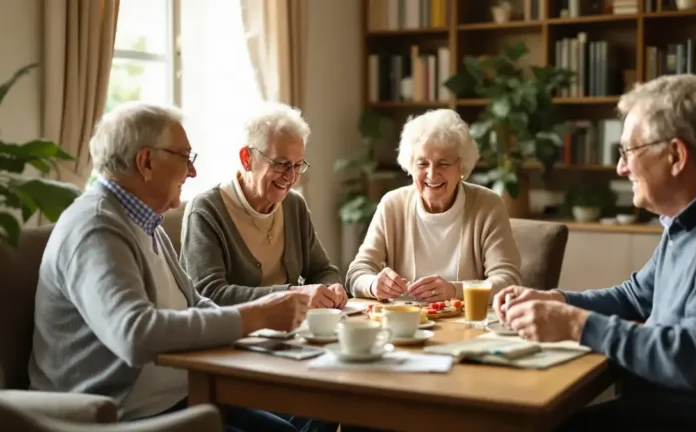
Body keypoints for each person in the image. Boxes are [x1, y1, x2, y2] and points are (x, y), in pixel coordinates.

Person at [27, 102, 336, 432]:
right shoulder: (96, 227)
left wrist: (265, 333)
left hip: (184, 395)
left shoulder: (146, 222)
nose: (192, 172)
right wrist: (256, 316)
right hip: (119, 414)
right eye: (184, 158)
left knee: (311, 414)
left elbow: (197, 302)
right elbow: (135, 334)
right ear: (146, 162)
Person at [493, 75, 696, 431]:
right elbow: (636, 295)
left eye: (628, 151)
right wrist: (556, 300)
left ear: (675, 155)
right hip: (655, 408)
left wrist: (576, 324)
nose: (621, 168)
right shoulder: (691, 217)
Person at [180, 102, 347, 310]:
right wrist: (290, 294)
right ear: (246, 158)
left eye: (297, 165)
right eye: (281, 164)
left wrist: (331, 288)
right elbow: (209, 294)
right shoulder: (206, 211)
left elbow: (322, 270)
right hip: (233, 337)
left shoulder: (294, 205)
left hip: (291, 333)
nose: (291, 176)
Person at [347, 109, 522, 302]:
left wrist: (455, 291)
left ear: (461, 167)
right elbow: (357, 272)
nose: (431, 174)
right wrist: (373, 285)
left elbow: (508, 280)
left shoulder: (487, 205)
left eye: (443, 164)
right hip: (406, 324)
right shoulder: (392, 205)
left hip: (467, 326)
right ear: (410, 166)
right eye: (422, 164)